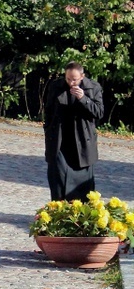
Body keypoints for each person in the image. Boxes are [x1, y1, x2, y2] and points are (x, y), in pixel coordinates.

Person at [43, 61, 104, 201]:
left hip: (82, 140)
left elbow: (99, 113)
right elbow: (49, 110)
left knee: (83, 185)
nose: (71, 82)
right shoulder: (56, 86)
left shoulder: (93, 88)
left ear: (82, 76)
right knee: (58, 177)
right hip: (60, 139)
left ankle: (80, 214)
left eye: (74, 79)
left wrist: (83, 98)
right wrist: (48, 128)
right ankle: (58, 211)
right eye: (68, 78)